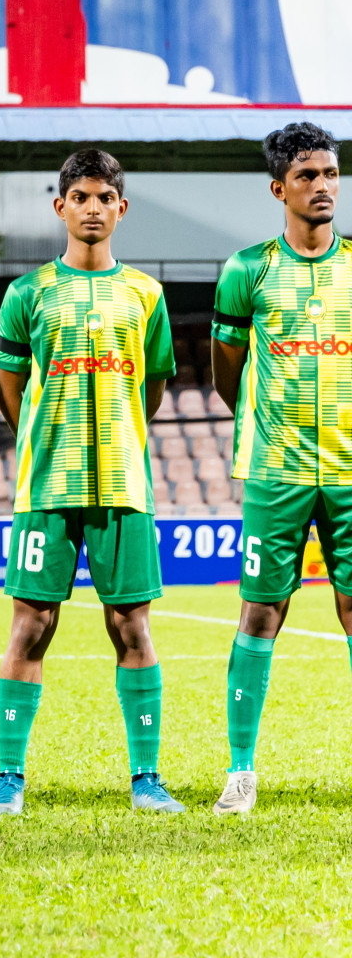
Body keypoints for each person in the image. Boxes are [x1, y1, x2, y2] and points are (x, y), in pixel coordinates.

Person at [0, 149, 183, 816]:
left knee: (132, 625)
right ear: (60, 206)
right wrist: (48, 440)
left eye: (105, 197)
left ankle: (147, 778)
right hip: (46, 487)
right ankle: (9, 778)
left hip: (124, 484)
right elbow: (10, 389)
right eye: (81, 197)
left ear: (121, 209)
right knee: (31, 624)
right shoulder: (28, 293)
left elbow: (152, 386)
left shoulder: (146, 294)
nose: (93, 207)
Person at [210, 122, 352, 815]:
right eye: (307, 176)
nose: (323, 186)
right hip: (277, 468)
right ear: (278, 188)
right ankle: (241, 772)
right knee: (262, 609)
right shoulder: (248, 270)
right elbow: (225, 373)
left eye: (330, 173)